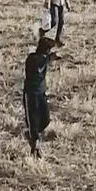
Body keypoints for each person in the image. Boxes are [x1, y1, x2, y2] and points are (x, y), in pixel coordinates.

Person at [23, 28, 60, 158]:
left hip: (41, 93)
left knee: (45, 119)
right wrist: (48, 59)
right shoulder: (32, 59)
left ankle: (33, 137)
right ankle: (35, 144)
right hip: (31, 94)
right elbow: (38, 67)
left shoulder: (43, 59)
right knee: (33, 121)